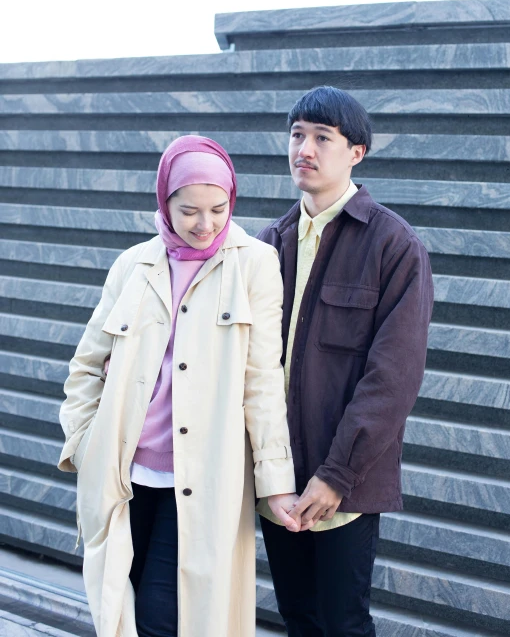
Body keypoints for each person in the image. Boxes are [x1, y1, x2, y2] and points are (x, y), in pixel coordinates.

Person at [58, 135, 299, 637]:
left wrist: (275, 479)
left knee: (163, 617)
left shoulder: (254, 263)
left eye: (219, 209)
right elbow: (86, 366)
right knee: (119, 605)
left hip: (204, 479)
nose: (205, 224)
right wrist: (84, 444)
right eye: (189, 210)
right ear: (164, 201)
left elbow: (262, 380)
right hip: (124, 477)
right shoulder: (133, 265)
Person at [256, 86, 434, 637]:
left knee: (343, 623)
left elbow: (393, 378)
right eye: (297, 135)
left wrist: (336, 476)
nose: (304, 149)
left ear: (356, 152)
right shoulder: (271, 243)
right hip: (279, 483)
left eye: (322, 138)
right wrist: (267, 474)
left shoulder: (394, 245)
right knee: (299, 618)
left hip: (344, 487)